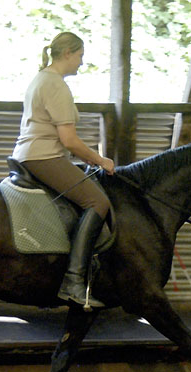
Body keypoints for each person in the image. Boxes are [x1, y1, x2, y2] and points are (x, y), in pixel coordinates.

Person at [11, 32, 115, 309]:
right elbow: (69, 140)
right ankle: (73, 281)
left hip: (32, 154)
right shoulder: (55, 85)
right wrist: (99, 159)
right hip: (43, 156)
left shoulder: (40, 78)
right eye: (80, 56)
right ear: (68, 53)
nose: (81, 63)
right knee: (98, 201)